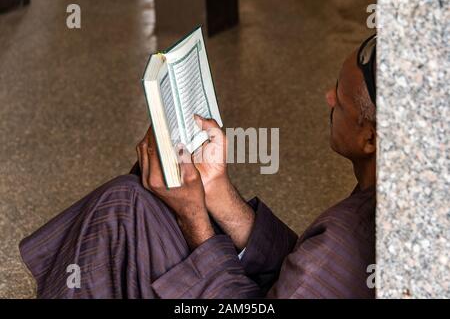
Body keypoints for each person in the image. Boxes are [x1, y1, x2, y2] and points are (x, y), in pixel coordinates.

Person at [20, 34, 377, 299]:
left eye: (341, 101)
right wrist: (217, 192)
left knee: (121, 210)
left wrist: (194, 219)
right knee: (129, 199)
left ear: (370, 140)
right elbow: (299, 273)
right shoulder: (370, 205)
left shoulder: (347, 234)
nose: (328, 98)